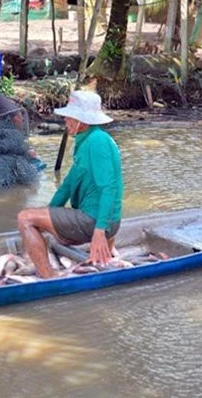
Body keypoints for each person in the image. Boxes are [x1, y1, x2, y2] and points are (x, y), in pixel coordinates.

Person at [17, 91, 123, 278]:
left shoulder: (97, 142)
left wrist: (99, 231)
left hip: (97, 223)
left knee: (25, 218)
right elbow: (66, 186)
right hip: (105, 222)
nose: (66, 120)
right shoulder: (88, 141)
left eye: (70, 117)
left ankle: (48, 277)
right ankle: (104, 252)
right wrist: (47, 214)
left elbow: (109, 187)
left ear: (84, 120)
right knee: (37, 216)